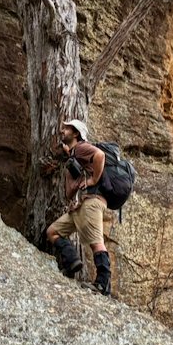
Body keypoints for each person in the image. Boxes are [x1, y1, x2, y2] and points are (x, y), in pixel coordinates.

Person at [44, 119, 112, 296]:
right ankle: (73, 260)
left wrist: (93, 180)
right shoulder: (75, 153)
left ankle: (103, 284)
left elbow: (100, 156)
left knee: (96, 243)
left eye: (67, 129)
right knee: (53, 232)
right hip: (80, 206)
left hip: (91, 203)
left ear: (76, 134)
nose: (62, 131)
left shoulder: (82, 147)